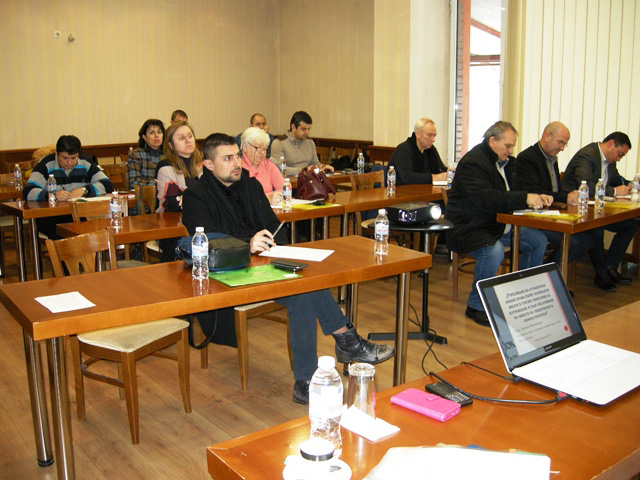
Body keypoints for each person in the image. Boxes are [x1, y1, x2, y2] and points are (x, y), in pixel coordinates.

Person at [181, 133, 394, 404]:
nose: (237, 163)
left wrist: (275, 246)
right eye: (228, 158)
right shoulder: (196, 195)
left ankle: (307, 381)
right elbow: (206, 242)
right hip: (224, 273)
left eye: (237, 156)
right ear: (209, 164)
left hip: (264, 264)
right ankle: (347, 342)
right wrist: (247, 245)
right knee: (303, 289)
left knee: (304, 287)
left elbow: (274, 227)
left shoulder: (250, 185)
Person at [445, 121, 552, 326]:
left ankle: (522, 297)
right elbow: (487, 198)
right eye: (507, 146)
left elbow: (518, 190)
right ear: (492, 141)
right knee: (493, 252)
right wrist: (524, 198)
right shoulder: (473, 163)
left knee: (538, 241)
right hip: (470, 227)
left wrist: (537, 195)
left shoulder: (509, 164)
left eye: (512, 146)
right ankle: (476, 306)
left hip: (497, 225)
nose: (510, 151)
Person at [515, 122, 615, 291]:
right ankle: (546, 279)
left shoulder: (552, 158)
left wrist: (567, 197)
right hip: (532, 216)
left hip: (551, 212)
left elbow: (554, 191)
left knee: (590, 236)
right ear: (548, 136)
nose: (562, 148)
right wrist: (565, 197)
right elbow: (535, 192)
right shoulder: (528, 158)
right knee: (575, 241)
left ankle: (546, 275)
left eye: (564, 144)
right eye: (560, 142)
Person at [560, 131, 637, 285]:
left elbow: (616, 180)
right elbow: (586, 185)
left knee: (630, 225)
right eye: (620, 154)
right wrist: (614, 191)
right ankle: (601, 275)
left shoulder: (610, 161)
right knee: (596, 229)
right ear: (611, 144)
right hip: (575, 209)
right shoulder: (587, 156)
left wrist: (630, 184)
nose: (619, 159)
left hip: (596, 210)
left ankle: (610, 267)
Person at [23, 135, 113, 239]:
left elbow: (107, 184)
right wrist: (53, 195)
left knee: (89, 232)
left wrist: (84, 190)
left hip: (76, 214)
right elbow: (28, 191)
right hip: (50, 216)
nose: (69, 162)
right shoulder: (46, 164)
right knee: (62, 234)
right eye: (65, 158)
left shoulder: (85, 163)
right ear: (56, 153)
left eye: (73, 158)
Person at [155, 121, 203, 261]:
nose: (188, 140)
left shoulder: (203, 164)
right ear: (171, 145)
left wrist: (186, 197)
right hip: (172, 228)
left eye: (190, 136)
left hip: (199, 221)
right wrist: (197, 198)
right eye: (181, 138)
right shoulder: (166, 167)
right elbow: (173, 204)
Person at [270, 111, 334, 175]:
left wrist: (322, 167)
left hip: (307, 178)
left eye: (309, 129)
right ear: (293, 127)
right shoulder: (279, 143)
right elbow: (279, 169)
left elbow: (315, 163)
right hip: (288, 180)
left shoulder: (310, 142)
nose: (307, 133)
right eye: (303, 129)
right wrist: (303, 170)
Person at [387, 118, 448, 185]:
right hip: (401, 190)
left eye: (434, 135)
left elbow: (441, 169)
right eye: (429, 135)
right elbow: (407, 177)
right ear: (418, 134)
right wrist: (433, 177)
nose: (433, 140)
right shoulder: (403, 150)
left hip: (424, 189)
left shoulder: (430, 149)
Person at [240, 127, 283, 204]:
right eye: (258, 148)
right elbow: (241, 198)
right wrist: (267, 198)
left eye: (265, 149)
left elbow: (284, 188)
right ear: (245, 147)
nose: (262, 153)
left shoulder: (269, 165)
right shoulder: (237, 167)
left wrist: (276, 196)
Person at [128, 119, 165, 188]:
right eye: (152, 133)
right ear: (144, 137)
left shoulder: (168, 154)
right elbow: (134, 182)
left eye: (159, 132)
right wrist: (159, 184)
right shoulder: (137, 154)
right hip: (146, 193)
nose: (156, 135)